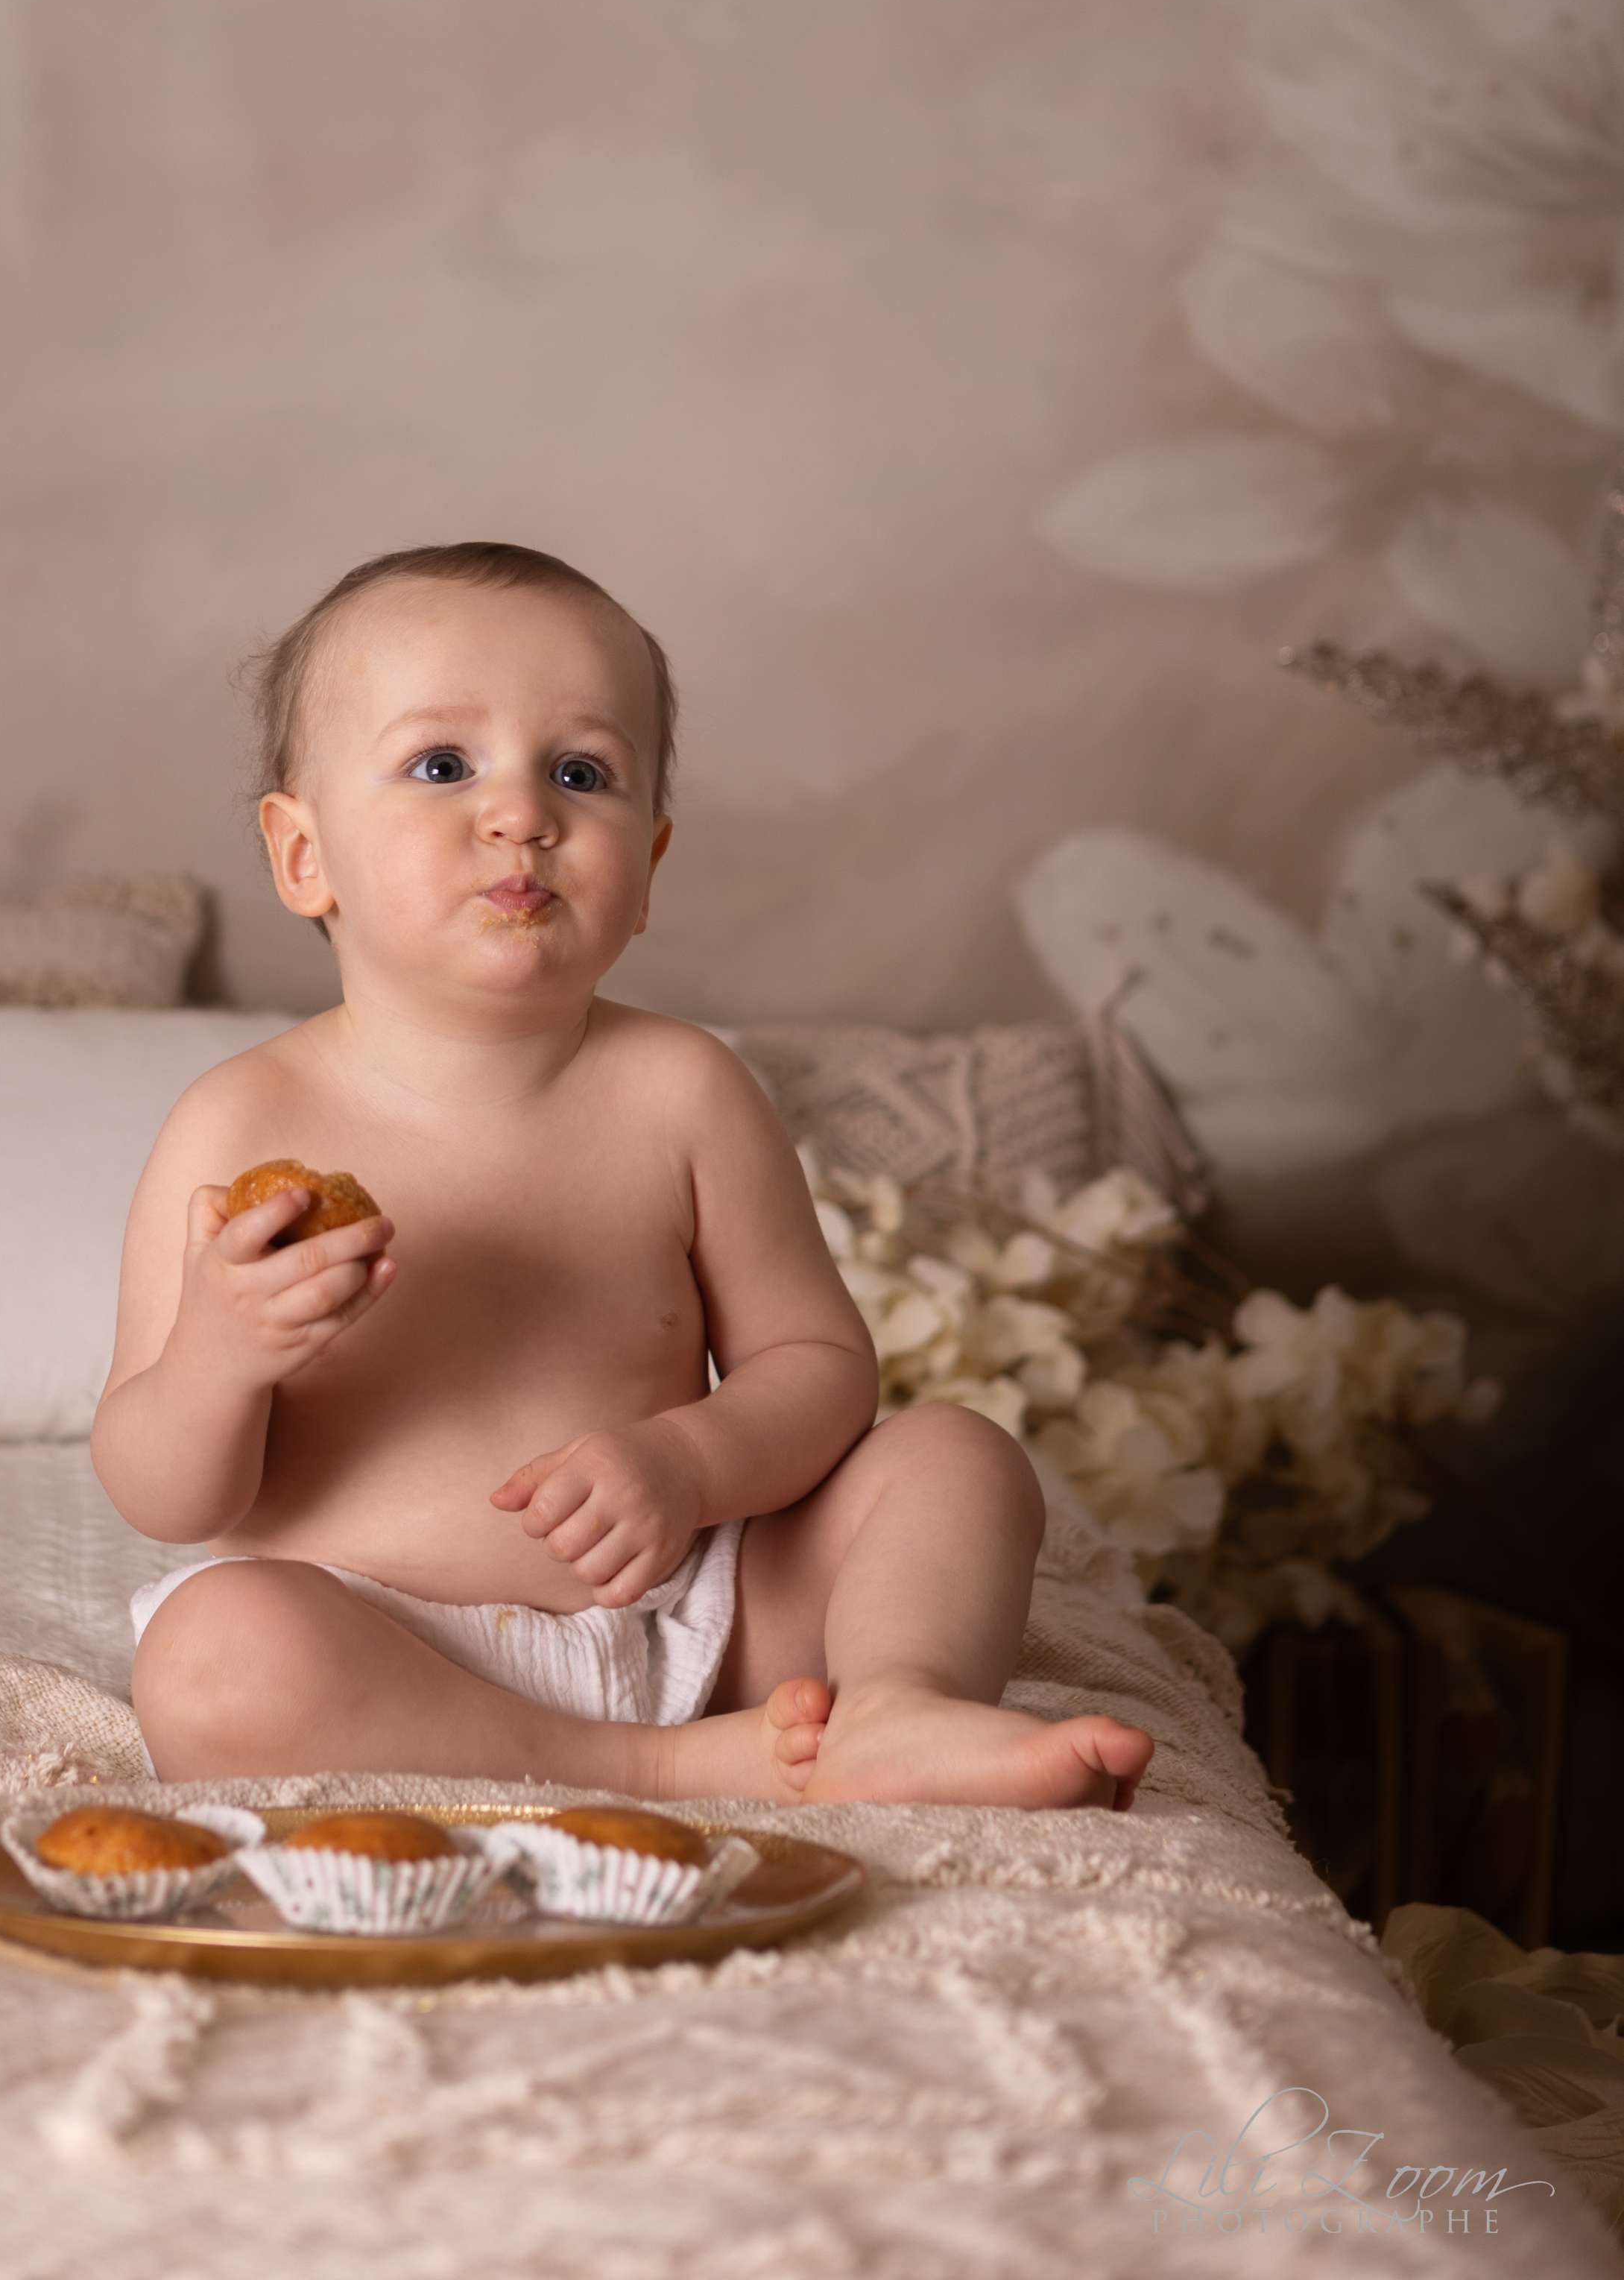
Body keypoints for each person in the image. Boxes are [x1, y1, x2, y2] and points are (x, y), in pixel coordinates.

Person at [91, 540, 1154, 1810]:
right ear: (302, 854)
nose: (522, 813)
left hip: (697, 1621)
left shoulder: (681, 1090)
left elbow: (818, 1372)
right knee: (211, 1659)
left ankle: (894, 1702)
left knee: (956, 1461)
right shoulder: (237, 1121)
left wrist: (686, 1462)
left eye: (580, 773)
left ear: (646, 864)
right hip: (386, 1649)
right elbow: (161, 1492)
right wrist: (219, 1355)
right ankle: (646, 1768)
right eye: (442, 765)